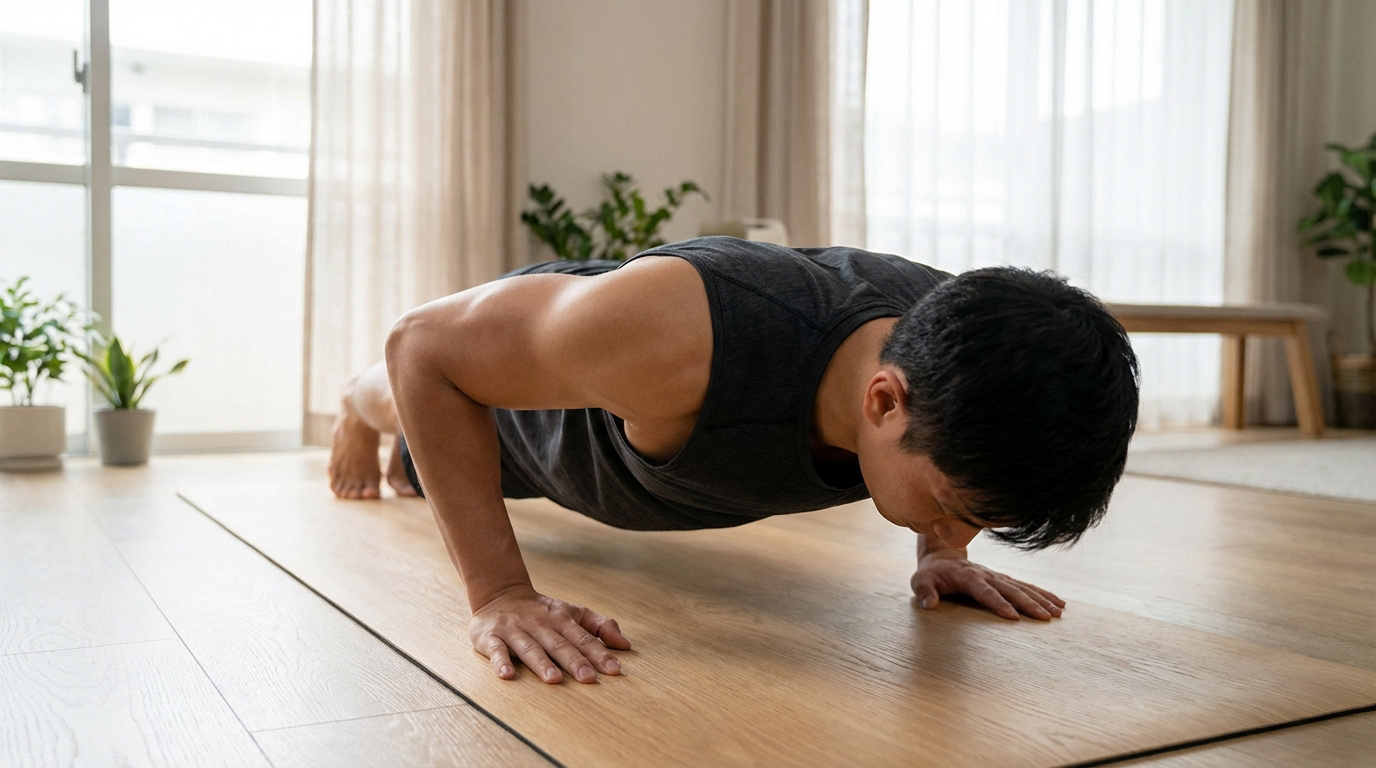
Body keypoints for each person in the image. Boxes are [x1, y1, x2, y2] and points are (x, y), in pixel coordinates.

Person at [328, 236, 1140, 685]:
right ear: (883, 402)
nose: (960, 528)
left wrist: (941, 547)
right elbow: (423, 345)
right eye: (954, 507)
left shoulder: (959, 353)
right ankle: (349, 403)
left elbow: (959, 444)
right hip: (537, 422)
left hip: (652, 434)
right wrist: (499, 593)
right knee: (397, 401)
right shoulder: (676, 332)